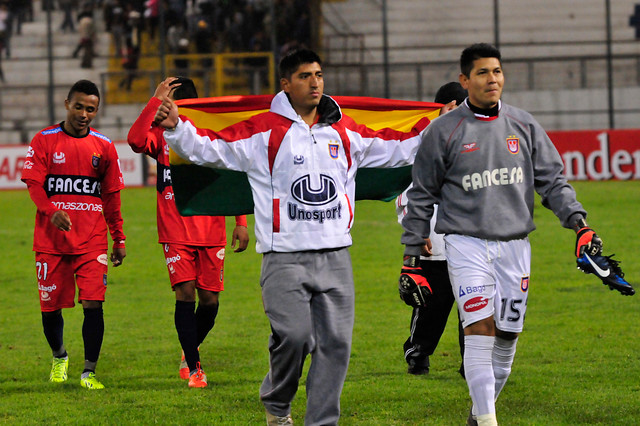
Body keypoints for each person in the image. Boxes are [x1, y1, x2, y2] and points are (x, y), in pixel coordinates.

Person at [156, 48, 429, 425]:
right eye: (305, 76)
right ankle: (277, 404)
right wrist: (176, 127)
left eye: (318, 74)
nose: (315, 81)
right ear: (286, 84)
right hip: (283, 258)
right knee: (295, 338)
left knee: (336, 346)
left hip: (336, 256)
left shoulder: (345, 129)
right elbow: (211, 149)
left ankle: (320, 421)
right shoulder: (262, 130)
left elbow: (398, 148)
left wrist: (437, 127)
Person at [400, 43, 608, 426]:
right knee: (480, 329)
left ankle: (479, 414)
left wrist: (580, 224)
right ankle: (489, 421)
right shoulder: (443, 131)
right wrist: (412, 255)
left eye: (496, 71)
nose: (492, 79)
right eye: (482, 72)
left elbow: (553, 183)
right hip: (465, 244)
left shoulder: (524, 125)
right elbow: (421, 196)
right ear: (465, 80)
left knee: (507, 337)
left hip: (515, 247)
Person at [126, 76, 250, 388]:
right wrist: (154, 101)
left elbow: (232, 176)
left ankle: (188, 348)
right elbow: (134, 140)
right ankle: (195, 369)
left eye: (169, 103)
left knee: (209, 302)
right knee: (185, 292)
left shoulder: (208, 136)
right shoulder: (158, 135)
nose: (163, 111)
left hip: (211, 228)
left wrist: (241, 222)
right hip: (175, 228)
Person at [21, 79, 127, 390]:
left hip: (92, 241)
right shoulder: (44, 140)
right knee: (50, 307)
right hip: (51, 242)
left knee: (94, 303)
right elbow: (34, 185)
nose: (83, 113)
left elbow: (112, 197)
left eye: (90, 109)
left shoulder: (104, 146)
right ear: (67, 104)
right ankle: (59, 356)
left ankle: (89, 372)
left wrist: (118, 239)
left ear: (97, 111)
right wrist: (50, 211)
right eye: (79, 106)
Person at [398, 81, 468, 376]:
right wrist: (418, 231)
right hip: (435, 242)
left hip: (473, 241)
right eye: (455, 108)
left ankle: (472, 362)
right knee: (431, 304)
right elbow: (407, 193)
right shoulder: (422, 143)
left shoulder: (479, 140)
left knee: (473, 304)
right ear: (443, 108)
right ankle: (418, 351)